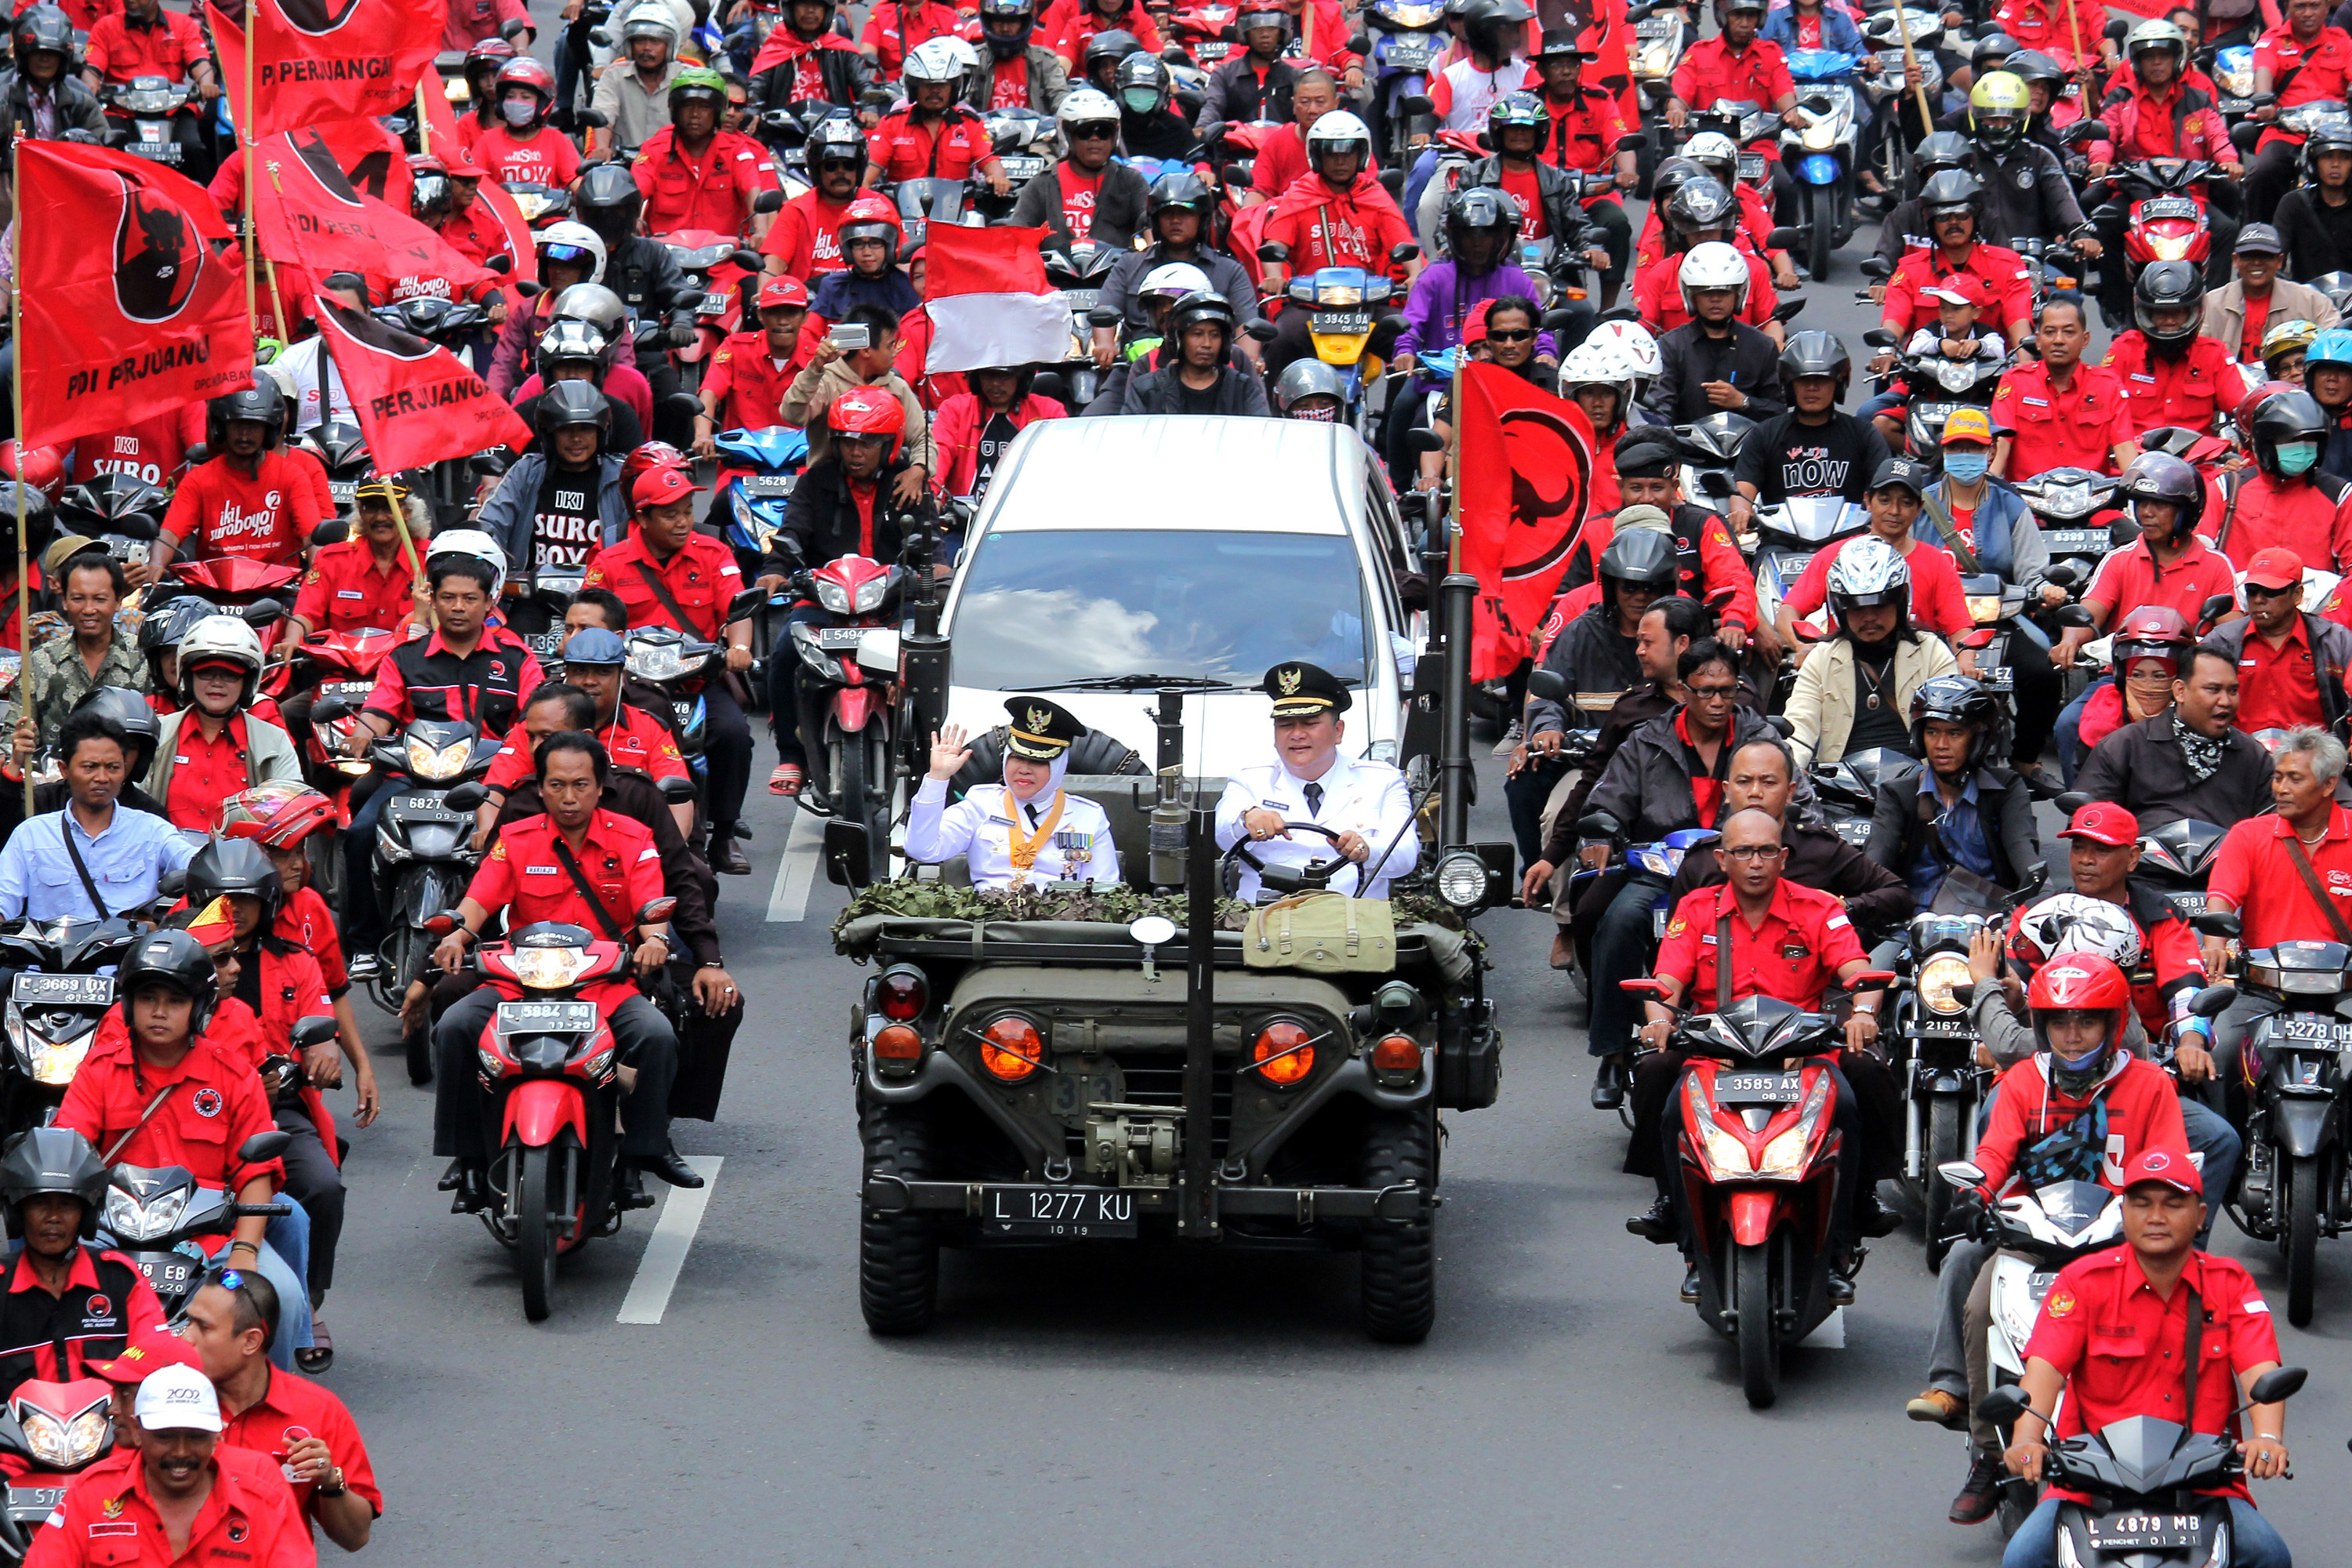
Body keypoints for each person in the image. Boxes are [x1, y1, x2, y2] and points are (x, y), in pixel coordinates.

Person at [1904, 956, 2197, 1530]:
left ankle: (2188, 1448)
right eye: (2058, 1021)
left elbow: (2168, 1163)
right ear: (2039, 1025)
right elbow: (1994, 1153)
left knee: (2191, 1307)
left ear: (2114, 1025)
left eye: (2087, 1022)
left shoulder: (2149, 1085)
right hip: (2033, 1235)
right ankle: (1988, 1453)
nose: (2072, 1035)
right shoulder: (2021, 1082)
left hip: (2122, 1241)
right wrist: (1979, 1191)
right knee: (1975, 1286)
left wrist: (2158, 1206)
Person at [1629, 805, 1895, 1301]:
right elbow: (1665, 981)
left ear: (1784, 857)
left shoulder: (1819, 908)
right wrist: (1659, 1022)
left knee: (1855, 1103)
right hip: (1715, 1055)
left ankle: (1849, 1226)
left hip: (1804, 1056)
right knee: (1661, 1094)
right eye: (1744, 852)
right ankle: (1681, 1226)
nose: (1756, 862)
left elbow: (1858, 970)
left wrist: (1863, 1013)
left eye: (1767, 851)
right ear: (1723, 859)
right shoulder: (1696, 910)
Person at [430, 731, 701, 1202]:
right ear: (540, 788)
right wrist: (457, 933)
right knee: (454, 1026)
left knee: (656, 1036)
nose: (568, 797)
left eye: (580, 785)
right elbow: (479, 899)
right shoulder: (514, 838)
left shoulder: (635, 839)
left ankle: (642, 1155)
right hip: (523, 985)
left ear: (600, 786)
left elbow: (651, 905)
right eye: (556, 785)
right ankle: (468, 1158)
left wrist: (654, 941)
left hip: (603, 985)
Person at [1994, 1149, 2294, 1568]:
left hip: (2203, 1485)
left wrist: (2268, 1439)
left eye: (2173, 1203)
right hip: (2091, 1487)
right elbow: (2043, 1371)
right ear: (2123, 1212)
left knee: (2269, 1556)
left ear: (2202, 1214)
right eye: (2141, 1203)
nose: (2156, 1216)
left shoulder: (2230, 1283)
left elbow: (2260, 1370)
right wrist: (2027, 1440)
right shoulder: (2083, 1281)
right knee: (2022, 1559)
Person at [56, 927, 312, 1371]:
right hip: (109, 1239)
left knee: (283, 1298)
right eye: (148, 999)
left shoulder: (233, 1074)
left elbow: (256, 1174)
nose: (159, 1013)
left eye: (175, 1001)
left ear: (199, 1009)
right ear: (128, 1003)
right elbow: (67, 1157)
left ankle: (273, 1419)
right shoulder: (97, 1069)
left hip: (210, 1243)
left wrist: (245, 1258)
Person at [1577, 639, 1790, 1105]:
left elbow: (1798, 798)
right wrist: (1601, 834)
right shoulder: (1648, 740)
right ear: (1683, 690)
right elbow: (1607, 799)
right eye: (1705, 691)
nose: (1717, 702)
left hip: (1744, 870)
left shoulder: (1762, 740)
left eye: (1727, 691)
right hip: (1660, 871)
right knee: (1616, 924)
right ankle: (1612, 1054)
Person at [339, 543, 541, 979]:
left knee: (519, 846)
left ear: (490, 603)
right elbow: (380, 707)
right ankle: (363, 947)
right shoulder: (404, 658)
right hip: (411, 780)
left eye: (470, 599)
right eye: (448, 597)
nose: (458, 608)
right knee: (357, 835)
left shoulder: (517, 659)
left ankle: (510, 939)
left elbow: (533, 722)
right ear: (432, 598)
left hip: (488, 782)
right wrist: (363, 731)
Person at [754, 389, 941, 797]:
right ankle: (791, 754)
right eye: (848, 441)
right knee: (784, 650)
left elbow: (934, 548)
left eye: (869, 442)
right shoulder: (814, 483)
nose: (857, 451)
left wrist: (937, 568)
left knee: (931, 659)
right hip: (827, 601)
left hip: (893, 603)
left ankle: (934, 754)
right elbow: (792, 534)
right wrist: (774, 571)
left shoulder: (908, 485)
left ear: (890, 445)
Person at [1519, 594, 1711, 964]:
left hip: (1721, 855)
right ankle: (1604, 1018)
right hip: (1647, 857)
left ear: (1682, 644)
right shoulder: (1631, 709)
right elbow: (1594, 782)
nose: (1638, 651)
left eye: (1647, 642)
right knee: (1591, 915)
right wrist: (1552, 856)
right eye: (1638, 641)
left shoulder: (1737, 707)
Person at [581, 468, 755, 876]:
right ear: (642, 519)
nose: (682, 522)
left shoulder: (714, 553)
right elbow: (590, 617)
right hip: (631, 688)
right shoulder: (609, 562)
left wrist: (740, 648)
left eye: (687, 511)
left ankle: (725, 833)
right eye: (670, 514)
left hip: (696, 682)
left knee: (733, 736)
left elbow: (736, 608)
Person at [1505, 530, 1679, 873]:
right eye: (1629, 586)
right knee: (1532, 789)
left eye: (1651, 588)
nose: (1640, 596)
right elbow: (1546, 691)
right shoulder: (1580, 632)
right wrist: (1547, 729)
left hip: (1670, 762)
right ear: (1611, 585)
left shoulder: (1686, 629)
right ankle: (1543, 884)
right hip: (1588, 762)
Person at [27, 1360, 311, 1568]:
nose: (181, 1451)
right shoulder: (91, 1494)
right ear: (137, 1432)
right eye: (165, 1437)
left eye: (196, 1437)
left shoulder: (263, 1504)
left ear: (217, 1435)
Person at [215, 782, 379, 1135]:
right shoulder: (199, 916)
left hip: (287, 1092)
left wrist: (359, 1067)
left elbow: (334, 995)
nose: (297, 864)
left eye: (301, 851)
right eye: (282, 853)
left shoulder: (311, 909)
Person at [180, 1270, 379, 1551]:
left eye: (203, 1327)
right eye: (188, 1322)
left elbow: (355, 1538)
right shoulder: (166, 1402)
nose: (186, 1337)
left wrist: (330, 1482)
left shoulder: (320, 1410)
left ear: (250, 1341)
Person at [1214, 662, 1417, 903]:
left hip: (1355, 923)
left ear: (1338, 731)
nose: (1297, 735)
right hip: (1263, 922)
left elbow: (1405, 856)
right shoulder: (1250, 779)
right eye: (1286, 725)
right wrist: (1247, 818)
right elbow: (1223, 832)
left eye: (1310, 723)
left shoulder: (1382, 780)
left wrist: (1366, 849)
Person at [1557, 430, 1766, 648]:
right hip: (1604, 643)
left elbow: (1734, 580)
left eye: (1657, 488)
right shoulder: (1591, 531)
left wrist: (1734, 622)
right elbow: (1567, 597)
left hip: (1687, 643)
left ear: (1674, 488)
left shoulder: (1703, 524)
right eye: (1636, 488)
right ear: (1620, 488)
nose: (1647, 498)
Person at [0, 1128, 164, 1396]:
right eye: (40, 1203)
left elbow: (155, 1357)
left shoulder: (120, 1280)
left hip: (110, 1434)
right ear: (16, 1211)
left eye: (67, 1205)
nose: (53, 1217)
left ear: (86, 1215)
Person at [1258, 111, 1420, 376]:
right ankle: (1277, 412)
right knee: (1280, 340)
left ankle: (1398, 415)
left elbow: (1404, 243)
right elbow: (1274, 245)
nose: (1340, 162)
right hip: (1311, 306)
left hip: (1368, 304)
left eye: (1348, 154)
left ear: (1362, 156)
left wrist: (1415, 276)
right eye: (1332, 155)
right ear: (1317, 156)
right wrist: (1274, 277)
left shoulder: (1374, 195)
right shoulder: (1300, 194)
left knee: (1409, 345)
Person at [0, 709, 194, 923]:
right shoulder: (32, 834)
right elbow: (4, 898)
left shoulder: (153, 830)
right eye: (90, 767)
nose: (102, 778)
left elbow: (193, 863)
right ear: (64, 769)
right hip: (51, 953)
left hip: (126, 953)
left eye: (113, 768)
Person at [1867, 673, 2039, 913]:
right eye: (1932, 732)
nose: (1941, 745)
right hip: (1911, 927)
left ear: (1977, 739)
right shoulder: (1898, 794)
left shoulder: (2006, 789)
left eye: (1954, 733)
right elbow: (1875, 865)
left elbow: (2024, 853)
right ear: (1920, 737)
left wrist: (2043, 894)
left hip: (1987, 927)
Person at [1787, 537, 1961, 770]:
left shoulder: (1931, 651)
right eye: (1857, 608)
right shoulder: (1822, 658)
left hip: (1920, 787)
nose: (1869, 618)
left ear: (1900, 601)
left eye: (1879, 606)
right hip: (1840, 793)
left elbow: (1949, 726)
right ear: (1840, 607)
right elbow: (1798, 731)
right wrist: (1785, 775)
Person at [906, 701, 1120, 886]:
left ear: (1058, 767)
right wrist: (937, 778)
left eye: (1038, 761)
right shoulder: (980, 804)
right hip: (991, 926)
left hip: (1061, 926)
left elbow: (1103, 888)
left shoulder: (1089, 816)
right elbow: (923, 849)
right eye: (1017, 758)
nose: (1024, 769)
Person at [1778, 459, 1973, 652]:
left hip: (1916, 671)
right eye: (1885, 501)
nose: (1894, 511)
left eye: (1905, 503)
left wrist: (1966, 660)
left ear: (1919, 509)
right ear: (1868, 501)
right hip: (1842, 671)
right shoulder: (1836, 555)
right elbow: (1787, 612)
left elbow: (1959, 628)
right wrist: (1802, 647)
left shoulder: (1936, 562)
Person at [2078, 646, 2277, 829]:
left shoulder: (2253, 757)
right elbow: (2090, 821)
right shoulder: (2124, 747)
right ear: (2180, 691)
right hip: (2139, 865)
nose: (2225, 701)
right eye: (2213, 690)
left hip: (2226, 866)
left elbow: (2272, 827)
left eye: (2232, 691)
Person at [143, 386, 320, 585]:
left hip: (276, 592)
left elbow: (312, 535)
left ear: (269, 429)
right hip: (211, 591)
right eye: (237, 424)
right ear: (221, 427)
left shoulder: (292, 476)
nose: (245, 434)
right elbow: (170, 533)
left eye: (253, 425)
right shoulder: (199, 479)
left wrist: (316, 573)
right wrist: (156, 565)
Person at [477, 381, 632, 597]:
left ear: (601, 432)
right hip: (531, 597)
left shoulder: (621, 478)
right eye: (565, 429)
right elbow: (491, 526)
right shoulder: (526, 472)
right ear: (549, 434)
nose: (576, 438)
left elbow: (637, 541)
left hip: (601, 598)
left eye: (586, 428)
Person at [145, 618, 300, 833]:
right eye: (205, 672)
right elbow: (134, 810)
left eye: (230, 675)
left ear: (248, 682)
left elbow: (289, 813)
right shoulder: (157, 735)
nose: (217, 683)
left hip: (247, 861)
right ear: (188, 677)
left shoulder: (273, 741)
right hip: (167, 861)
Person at [1730, 333, 1890, 532]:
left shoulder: (1864, 434)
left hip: (1848, 543)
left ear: (1839, 382)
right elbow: (1743, 491)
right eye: (1803, 380)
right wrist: (1741, 512)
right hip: (1781, 543)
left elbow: (1885, 491)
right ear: (1788, 384)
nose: (1812, 388)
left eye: (1821, 380)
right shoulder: (1764, 434)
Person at [2, 549, 147, 764]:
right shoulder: (41, 661)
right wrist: (18, 746)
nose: (89, 609)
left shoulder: (143, 658)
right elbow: (13, 736)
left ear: (118, 601)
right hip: (53, 787)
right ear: (65, 601)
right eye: (78, 599)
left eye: (99, 599)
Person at [1526, 31, 1636, 307]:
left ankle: (1607, 309)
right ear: (1541, 69)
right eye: (1557, 65)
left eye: (1572, 65)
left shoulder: (1599, 100)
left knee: (1618, 224)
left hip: (1591, 196)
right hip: (1539, 196)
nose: (1566, 72)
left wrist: (1627, 173)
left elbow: (1621, 144)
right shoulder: (1527, 103)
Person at [1094, 175, 1255, 362]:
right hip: (1136, 370)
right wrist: (1105, 344)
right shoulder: (1129, 265)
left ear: (1202, 219)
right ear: (1155, 220)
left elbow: (1247, 325)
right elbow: (1106, 308)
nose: (1175, 221)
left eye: (1185, 213)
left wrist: (1250, 358)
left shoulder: (1229, 270)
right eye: (1167, 213)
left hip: (1209, 372)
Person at [779, 303, 936, 492]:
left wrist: (918, 470)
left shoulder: (897, 388)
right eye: (890, 346)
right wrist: (814, 369)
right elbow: (792, 414)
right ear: (866, 350)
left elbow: (922, 439)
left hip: (884, 490)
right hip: (827, 489)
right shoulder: (826, 380)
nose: (895, 353)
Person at [1880, 172, 2035, 358]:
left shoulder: (2008, 265)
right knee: (1886, 383)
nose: (1953, 222)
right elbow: (1894, 319)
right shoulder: (1910, 269)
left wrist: (2025, 361)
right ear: (1932, 223)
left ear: (1975, 217)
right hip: (1922, 377)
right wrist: (1885, 352)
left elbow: (2019, 321)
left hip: (1994, 376)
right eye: (1943, 217)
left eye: (1962, 214)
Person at [2205, 545, 2352, 737]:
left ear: (2297, 594)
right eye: (2252, 590)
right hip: (2238, 758)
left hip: (2313, 760)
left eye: (2270, 592)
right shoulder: (2221, 640)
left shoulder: (2335, 641)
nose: (2258, 599)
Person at [1990, 294, 2140, 478]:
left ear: (2085, 339)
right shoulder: (2015, 382)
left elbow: (2124, 447)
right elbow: (2002, 443)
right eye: (2050, 332)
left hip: (2092, 499)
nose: (2058, 340)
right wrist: (1990, 485)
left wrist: (2135, 485)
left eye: (2069, 332)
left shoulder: (2108, 385)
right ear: (2038, 340)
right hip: (2026, 500)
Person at [1642, 241, 1784, 426]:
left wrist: (1743, 402)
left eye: (1723, 293)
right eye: (1706, 293)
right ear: (1692, 296)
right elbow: (1661, 408)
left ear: (1738, 294)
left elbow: (1778, 411)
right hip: (1685, 449)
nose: (1715, 299)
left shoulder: (1762, 346)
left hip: (1748, 449)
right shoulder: (1671, 346)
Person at [2212, 386, 2352, 570]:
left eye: (2310, 439)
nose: (2302, 448)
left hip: (2315, 596)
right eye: (2290, 440)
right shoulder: (2228, 488)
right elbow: (2199, 553)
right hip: (2241, 595)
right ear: (2266, 443)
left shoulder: (2340, 495)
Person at [631, 67, 778, 241]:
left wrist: (760, 232)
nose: (695, 115)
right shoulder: (654, 150)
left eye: (704, 107)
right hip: (664, 260)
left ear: (717, 112)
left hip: (724, 259)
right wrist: (632, 229)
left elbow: (751, 190)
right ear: (674, 109)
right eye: (687, 106)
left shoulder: (736, 150)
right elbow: (636, 196)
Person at [2244, 0, 2352, 224]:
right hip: (2287, 130)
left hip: (2337, 134)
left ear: (2326, 8)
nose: (2308, 13)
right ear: (2287, 9)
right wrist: (2264, 102)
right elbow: (2264, 70)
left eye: (2315, 6)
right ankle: (2258, 242)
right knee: (2264, 172)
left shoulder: (2342, 41)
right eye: (2300, 6)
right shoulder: (2272, 40)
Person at [2104, 262, 2241, 437]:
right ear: (2147, 312)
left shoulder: (2214, 354)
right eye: (2161, 313)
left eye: (2177, 313)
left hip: (2199, 460)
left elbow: (2242, 410)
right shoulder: (2124, 349)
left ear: (2193, 311)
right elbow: (2101, 406)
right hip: (2136, 458)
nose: (2169, 322)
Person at [867, 39, 1009, 198]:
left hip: (959, 216)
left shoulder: (971, 124)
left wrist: (998, 176)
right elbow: (871, 167)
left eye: (942, 86)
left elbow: (990, 161)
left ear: (954, 88)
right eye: (927, 85)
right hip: (903, 213)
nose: (935, 91)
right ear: (914, 87)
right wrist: (862, 192)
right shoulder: (892, 124)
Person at [1011, 89, 1145, 251]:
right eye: (1085, 132)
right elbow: (1017, 238)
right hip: (1052, 275)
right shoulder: (1042, 184)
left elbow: (1150, 229)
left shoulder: (1132, 182)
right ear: (1067, 136)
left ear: (1114, 137)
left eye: (1103, 132)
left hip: (1114, 275)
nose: (1095, 139)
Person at [1117, 291, 1272, 416]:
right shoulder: (1147, 389)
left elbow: (1261, 435)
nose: (1206, 344)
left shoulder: (1242, 388)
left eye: (1215, 335)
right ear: (1179, 339)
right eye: (1197, 334)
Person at [2205, 224, 2342, 364]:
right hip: (2225, 383)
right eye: (2248, 256)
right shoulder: (2211, 303)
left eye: (2266, 256)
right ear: (2235, 261)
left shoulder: (2311, 300)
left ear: (2279, 261)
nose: (2257, 262)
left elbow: (2336, 342)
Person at [934, 365, 1066, 499]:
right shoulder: (955, 409)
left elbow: (1062, 465)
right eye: (988, 375)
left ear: (1022, 378)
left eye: (1004, 376)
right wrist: (931, 495)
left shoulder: (1049, 412)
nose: (996, 383)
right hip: (966, 512)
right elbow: (939, 454)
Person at [760, 118, 866, 280]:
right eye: (831, 166)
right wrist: (764, 293)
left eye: (849, 165)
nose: (841, 172)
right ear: (817, 170)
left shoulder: (878, 206)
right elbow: (773, 264)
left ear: (859, 169)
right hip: (807, 303)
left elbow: (902, 264)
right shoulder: (796, 209)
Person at [1, 7, 103, 151]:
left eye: (52, 53)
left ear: (63, 58)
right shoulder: (3, 97)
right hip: (14, 172)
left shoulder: (80, 99)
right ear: (24, 55)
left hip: (63, 171)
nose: (44, 59)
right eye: (37, 52)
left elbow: (105, 146)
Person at [1426, 0, 1534, 131]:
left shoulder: (1525, 73)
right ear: (1485, 35)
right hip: (1461, 150)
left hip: (1509, 148)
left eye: (1517, 31)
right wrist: (1422, 132)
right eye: (1509, 32)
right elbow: (1432, 115)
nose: (1515, 39)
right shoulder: (1451, 77)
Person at [747, 0, 873, 111]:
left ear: (827, 12)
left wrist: (869, 108)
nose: (811, 10)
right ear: (790, 9)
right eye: (803, 3)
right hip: (783, 130)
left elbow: (862, 83)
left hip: (833, 127)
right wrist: (753, 108)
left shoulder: (842, 49)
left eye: (818, 5)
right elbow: (757, 87)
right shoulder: (775, 48)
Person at [590, 9, 683, 156]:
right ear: (630, 46)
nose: (646, 48)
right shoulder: (615, 74)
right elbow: (604, 113)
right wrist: (602, 148)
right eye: (640, 41)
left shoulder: (685, 77)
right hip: (625, 165)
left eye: (655, 41)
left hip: (673, 165)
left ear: (669, 46)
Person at [80, 0, 216, 96]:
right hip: (120, 110)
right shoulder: (106, 27)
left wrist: (206, 84)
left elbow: (199, 61)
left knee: (192, 138)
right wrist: (90, 85)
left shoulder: (183, 24)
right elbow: (92, 68)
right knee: (105, 136)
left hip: (174, 109)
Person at [2270, 119, 2352, 278]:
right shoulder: (2293, 204)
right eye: (2328, 157)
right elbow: (2276, 257)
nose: (2335, 164)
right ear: (2314, 163)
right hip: (2305, 299)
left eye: (2344, 158)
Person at [1201, 9, 1305, 127]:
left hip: (1282, 143)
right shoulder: (1225, 74)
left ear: (1281, 33)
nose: (1265, 34)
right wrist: (1203, 128)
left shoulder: (1296, 76)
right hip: (1236, 143)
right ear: (1245, 33)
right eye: (1256, 29)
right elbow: (1213, 106)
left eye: (1271, 28)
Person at [966, 0, 1070, 112]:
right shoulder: (974, 59)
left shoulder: (1045, 60)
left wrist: (1067, 112)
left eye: (1012, 22)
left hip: (1037, 129)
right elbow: (962, 102)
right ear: (988, 22)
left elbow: (1060, 96)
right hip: (984, 129)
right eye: (998, 21)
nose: (1005, 28)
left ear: (1024, 23)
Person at [864, 0, 964, 74]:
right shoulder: (881, 15)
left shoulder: (948, 17)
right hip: (889, 91)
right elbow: (865, 55)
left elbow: (962, 59)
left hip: (932, 90)